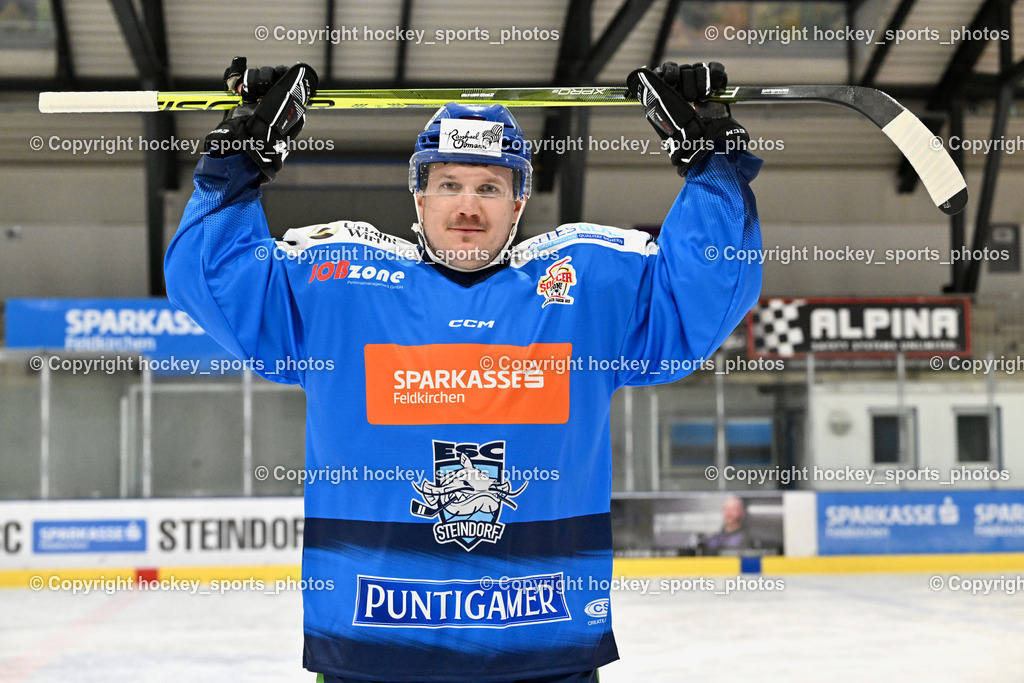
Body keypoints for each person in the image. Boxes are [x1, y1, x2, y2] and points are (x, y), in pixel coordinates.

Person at [165, 56, 763, 683]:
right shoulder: (336, 282)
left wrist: (709, 163)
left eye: (489, 187)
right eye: (448, 184)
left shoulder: (586, 286)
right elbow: (211, 281)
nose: (468, 206)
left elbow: (706, 294)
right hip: (373, 656)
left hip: (545, 653)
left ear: (519, 200)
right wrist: (237, 157)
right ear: (418, 196)